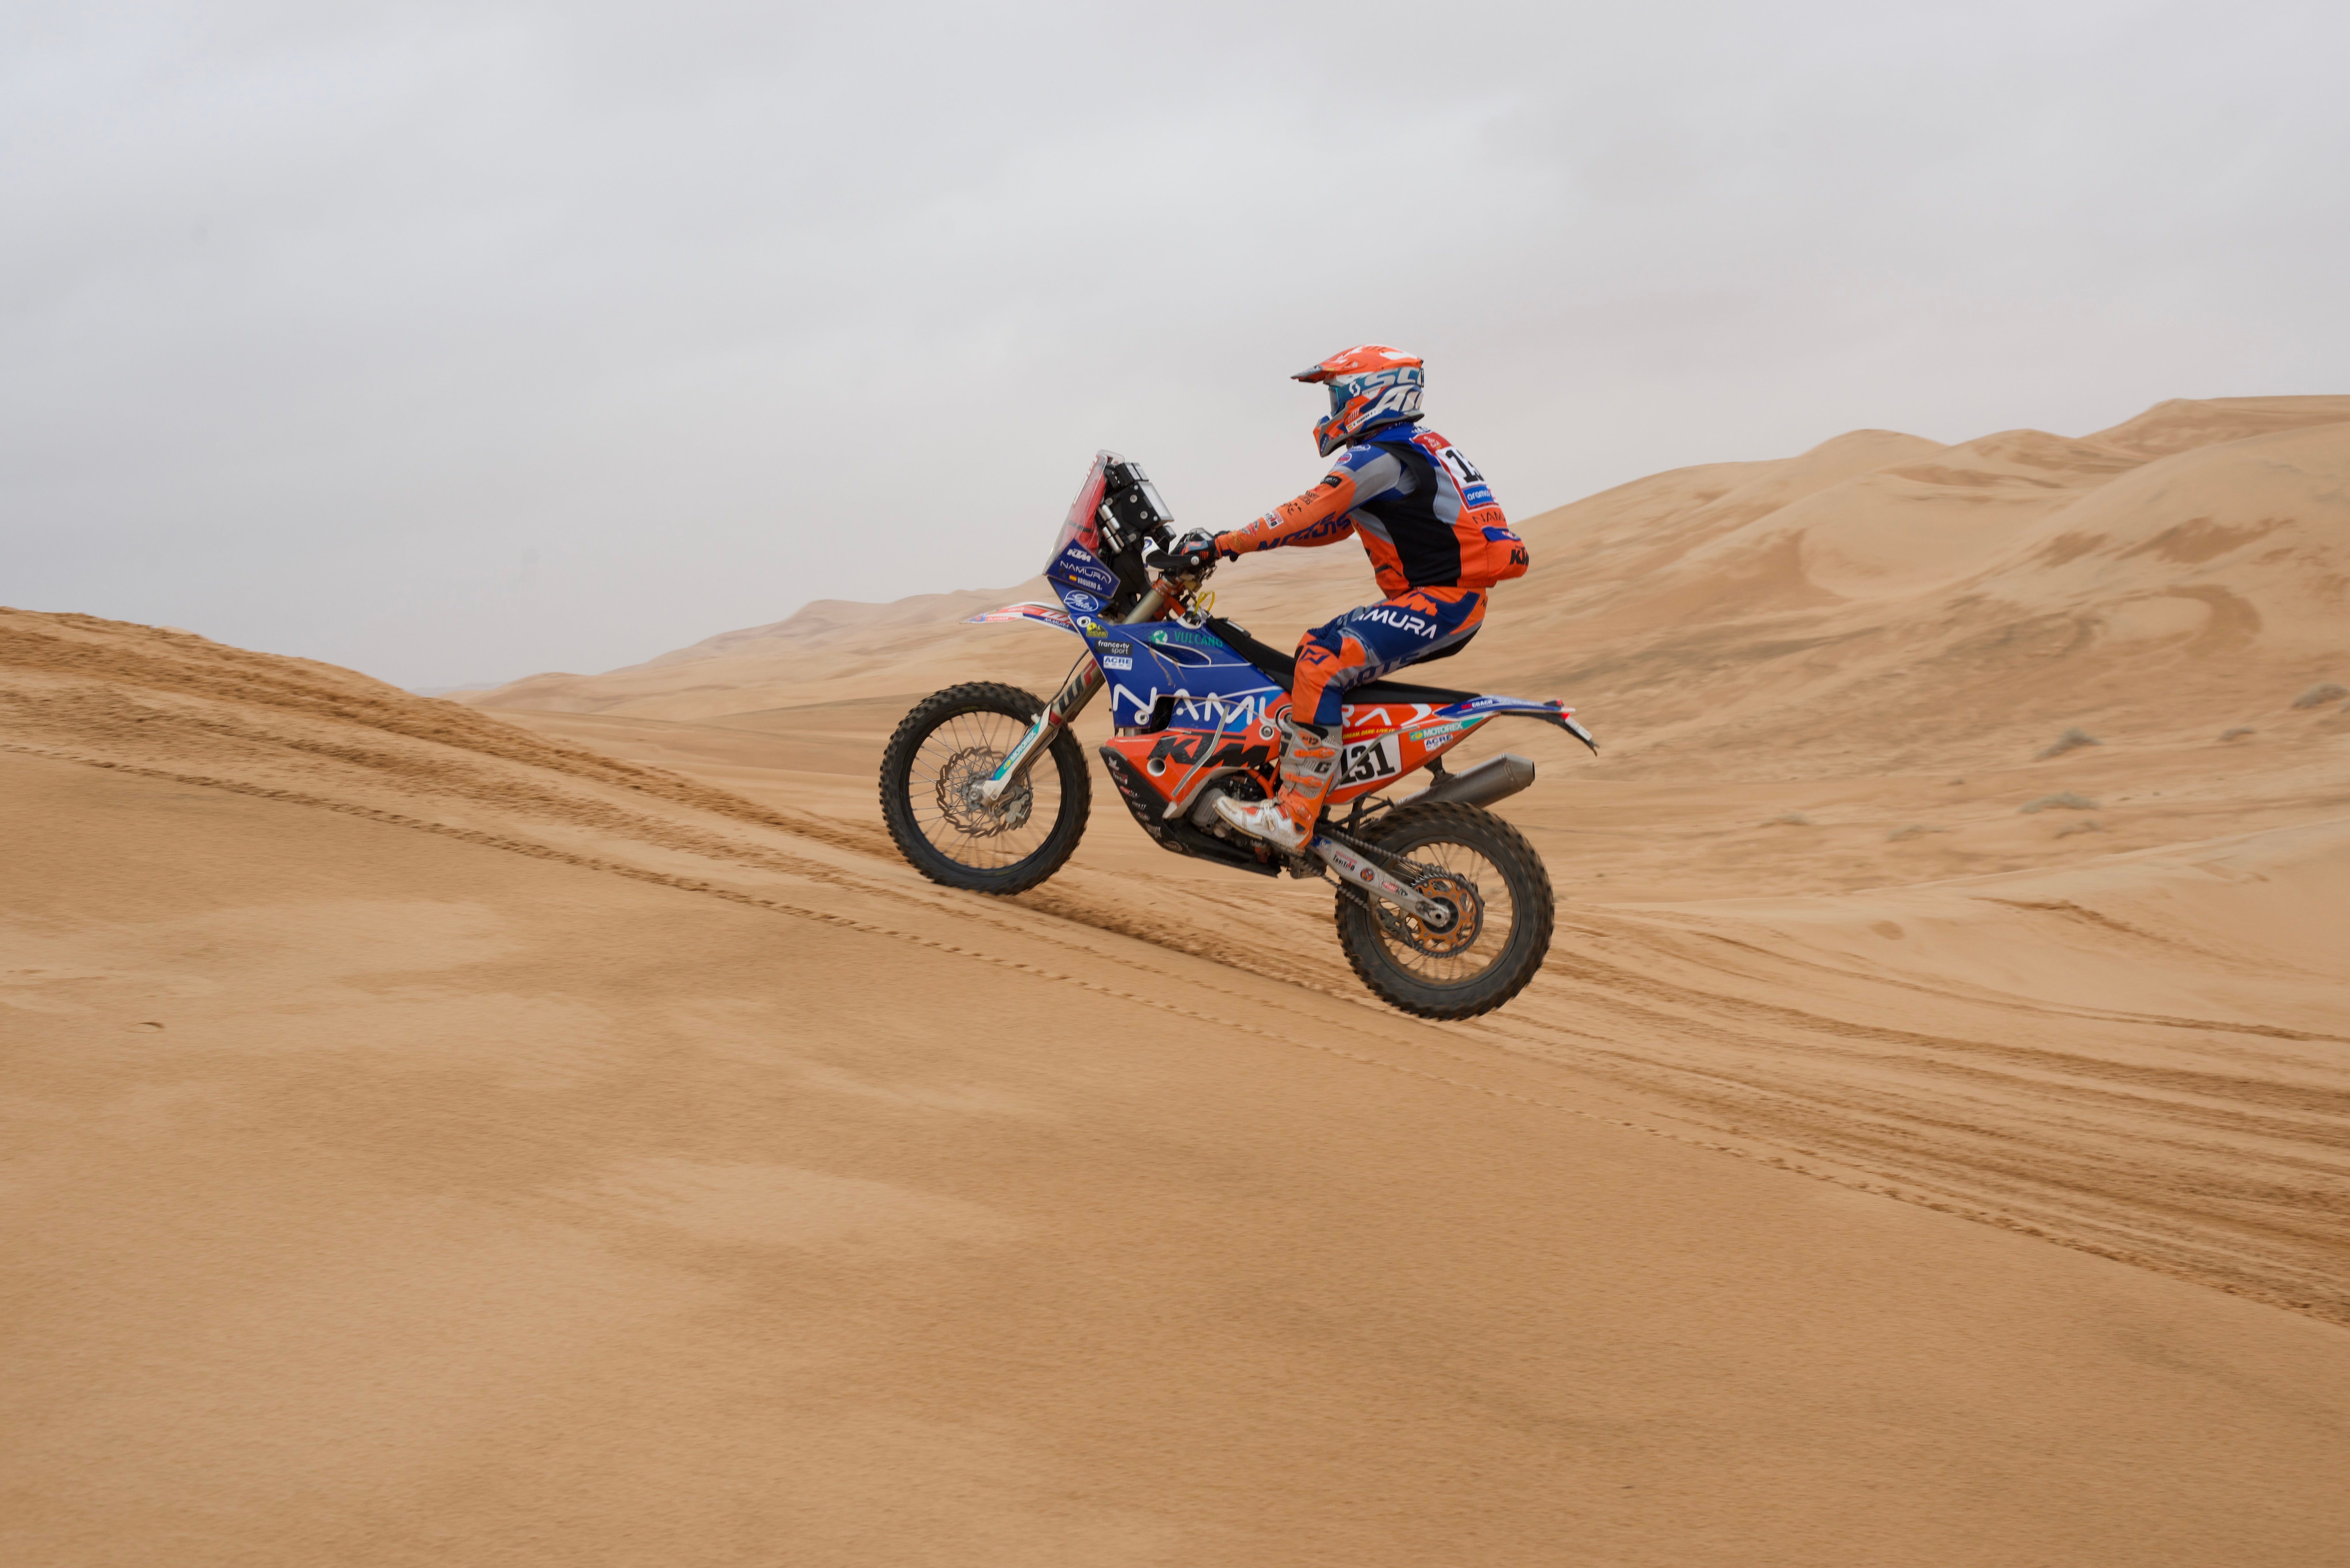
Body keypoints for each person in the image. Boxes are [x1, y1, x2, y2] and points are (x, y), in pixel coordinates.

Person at [1163, 345, 1530, 852]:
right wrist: (1241, 542)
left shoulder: (1378, 456)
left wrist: (1225, 544)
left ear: (1370, 395)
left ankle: (1293, 816)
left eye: (1339, 395)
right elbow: (1333, 523)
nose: (1332, 411)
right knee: (1315, 647)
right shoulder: (1413, 445)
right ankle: (1324, 775)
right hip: (1444, 600)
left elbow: (1310, 510)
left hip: (1445, 602)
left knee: (1321, 662)